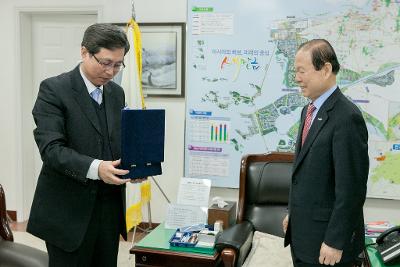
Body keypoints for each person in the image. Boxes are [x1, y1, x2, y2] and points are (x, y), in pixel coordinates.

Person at [27, 23, 137, 267]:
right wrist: (97, 168)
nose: (111, 72)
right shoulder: (54, 89)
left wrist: (134, 166)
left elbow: (114, 144)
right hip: (67, 213)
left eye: (118, 65)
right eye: (105, 62)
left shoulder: (116, 93)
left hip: (108, 211)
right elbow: (52, 150)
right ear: (84, 52)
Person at [282, 39, 369, 267]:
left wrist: (335, 241)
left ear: (326, 69)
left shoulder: (347, 117)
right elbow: (304, 173)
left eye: (302, 71)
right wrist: (293, 213)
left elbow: (352, 189)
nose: (297, 78)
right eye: (296, 71)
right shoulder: (307, 110)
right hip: (303, 238)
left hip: (327, 247)